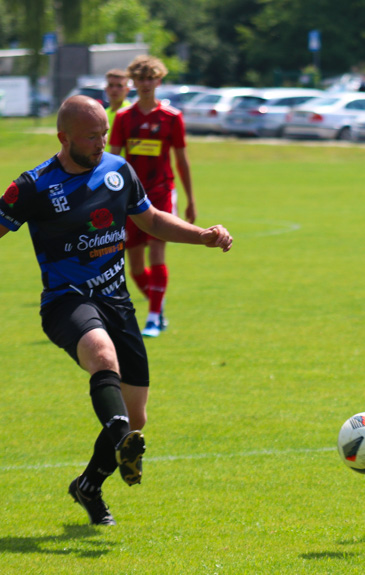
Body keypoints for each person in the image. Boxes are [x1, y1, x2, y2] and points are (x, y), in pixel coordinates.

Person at [0, 95, 232, 525]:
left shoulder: (117, 171)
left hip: (117, 302)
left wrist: (201, 235)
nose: (101, 142)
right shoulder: (33, 186)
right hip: (66, 302)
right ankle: (119, 436)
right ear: (62, 137)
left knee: (137, 415)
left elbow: (152, 220)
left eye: (104, 132)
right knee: (102, 359)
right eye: (91, 136)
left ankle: (88, 485)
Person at [110, 55, 196, 338]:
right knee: (135, 267)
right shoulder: (124, 118)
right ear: (132, 83)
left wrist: (190, 199)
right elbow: (113, 160)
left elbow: (182, 161)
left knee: (157, 254)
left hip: (161, 193)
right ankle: (159, 303)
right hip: (130, 198)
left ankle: (153, 316)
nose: (146, 83)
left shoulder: (172, 118)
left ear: (159, 81)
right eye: (140, 78)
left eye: (151, 78)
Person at [104, 69, 131, 140]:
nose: (114, 89)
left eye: (119, 86)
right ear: (106, 89)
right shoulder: (104, 114)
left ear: (127, 90)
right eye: (111, 85)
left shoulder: (131, 113)